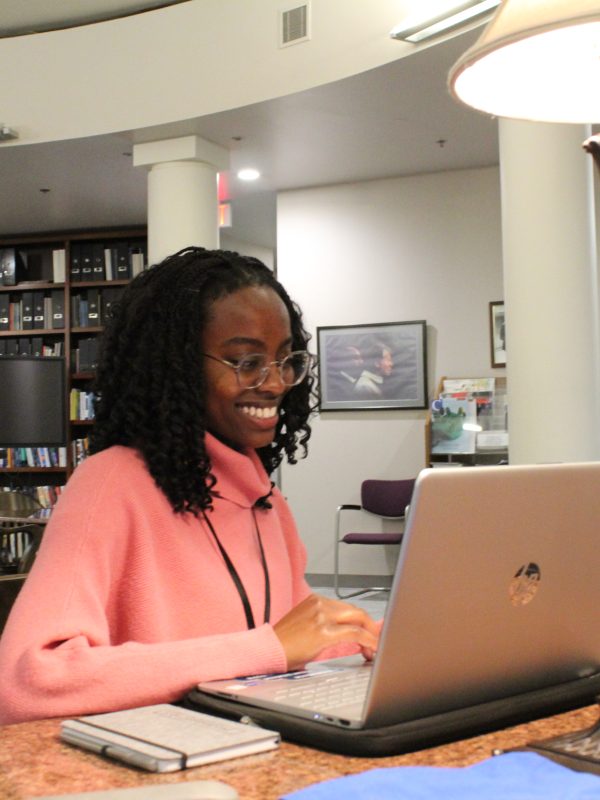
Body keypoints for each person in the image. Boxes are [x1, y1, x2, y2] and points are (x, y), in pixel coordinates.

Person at [0, 247, 380, 725]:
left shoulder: (266, 502)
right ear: (176, 366)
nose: (276, 383)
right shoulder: (110, 483)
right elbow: (26, 681)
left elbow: (302, 642)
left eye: (286, 360)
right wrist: (267, 648)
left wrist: (381, 638)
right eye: (245, 361)